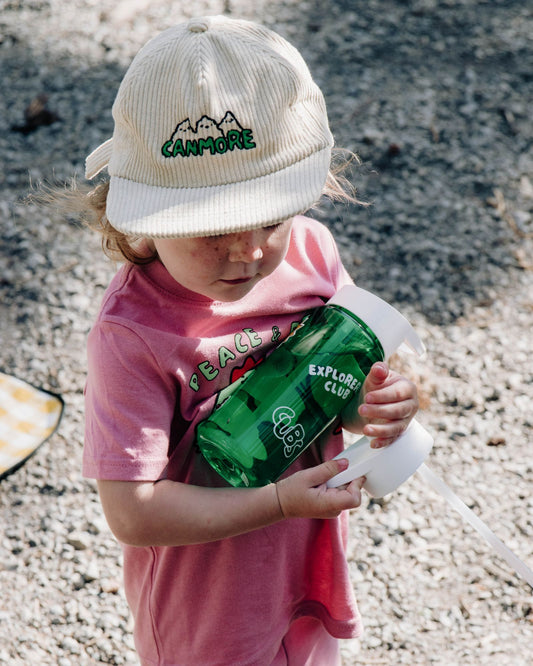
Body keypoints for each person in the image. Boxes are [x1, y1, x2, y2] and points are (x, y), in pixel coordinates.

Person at [78, 15, 419, 665]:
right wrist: (275, 502)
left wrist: (373, 404)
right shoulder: (133, 335)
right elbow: (132, 511)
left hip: (305, 568)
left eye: (270, 216)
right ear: (145, 217)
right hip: (208, 611)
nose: (250, 252)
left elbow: (333, 386)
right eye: (212, 227)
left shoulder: (312, 252)